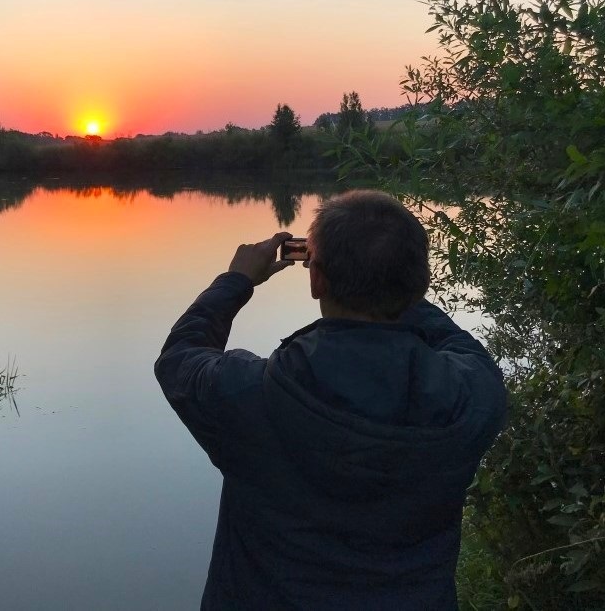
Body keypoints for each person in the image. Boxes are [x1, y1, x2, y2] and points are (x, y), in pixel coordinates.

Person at [154, 189, 507, 610]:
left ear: (316, 278)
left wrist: (237, 280)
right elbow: (458, 344)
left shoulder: (252, 398)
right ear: (419, 282)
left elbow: (180, 357)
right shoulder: (472, 397)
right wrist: (391, 279)